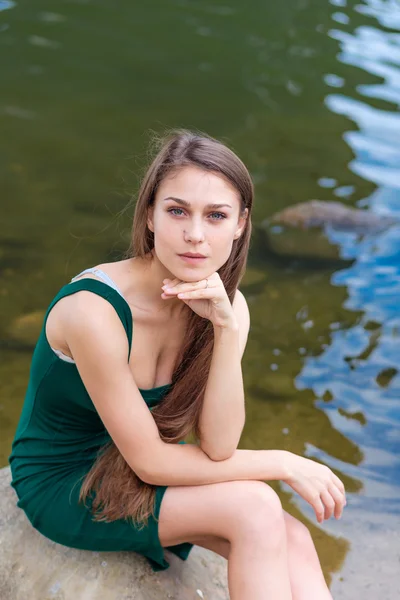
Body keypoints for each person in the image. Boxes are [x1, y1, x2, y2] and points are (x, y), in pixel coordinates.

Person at [9, 129, 346, 599]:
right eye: (177, 211)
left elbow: (219, 446)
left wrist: (226, 333)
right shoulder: (94, 312)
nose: (195, 235)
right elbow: (150, 462)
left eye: (216, 216)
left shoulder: (227, 307)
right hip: (68, 483)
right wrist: (284, 462)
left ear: (241, 225)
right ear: (149, 214)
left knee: (293, 539)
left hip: (135, 473)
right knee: (254, 507)